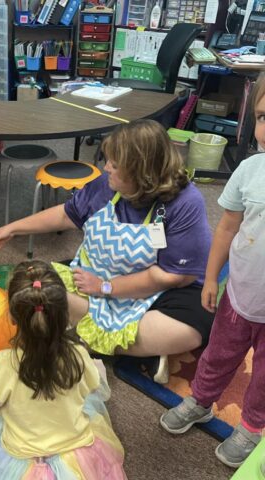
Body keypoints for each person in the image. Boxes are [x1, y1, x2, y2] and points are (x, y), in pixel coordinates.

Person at [0, 119, 214, 384]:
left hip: (159, 290)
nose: (106, 169)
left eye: (115, 165)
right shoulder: (106, 184)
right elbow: (66, 215)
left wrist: (106, 287)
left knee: (190, 330)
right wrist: (13, 228)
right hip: (96, 272)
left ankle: (85, 332)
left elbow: (174, 277)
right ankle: (134, 346)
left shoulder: (186, 202)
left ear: (143, 173)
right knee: (35, 283)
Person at [160, 75, 265, 468]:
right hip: (239, 295)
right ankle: (201, 400)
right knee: (219, 354)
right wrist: (210, 276)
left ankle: (253, 426)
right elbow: (226, 227)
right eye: (262, 116)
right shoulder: (251, 170)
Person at [0, 260, 127, 479]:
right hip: (76, 448)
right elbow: (94, 388)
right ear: (65, 315)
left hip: (22, 452)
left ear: (12, 317)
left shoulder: (5, 363)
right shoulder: (79, 356)